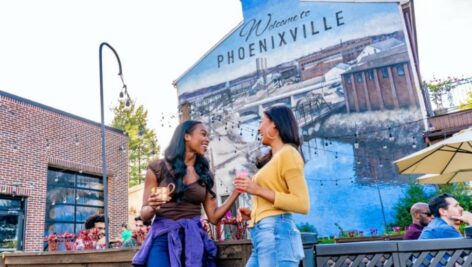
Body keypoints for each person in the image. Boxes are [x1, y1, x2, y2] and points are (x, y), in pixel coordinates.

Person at [132, 120, 240, 267]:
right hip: (163, 237)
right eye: (203, 134)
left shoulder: (205, 174)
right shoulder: (158, 168)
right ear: (186, 136)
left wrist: (236, 193)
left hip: (193, 240)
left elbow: (213, 217)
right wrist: (152, 207)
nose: (207, 139)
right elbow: (144, 214)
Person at [234, 105, 310, 267]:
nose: (259, 128)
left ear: (274, 125)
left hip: (276, 232)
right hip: (264, 234)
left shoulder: (289, 154)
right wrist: (254, 213)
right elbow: (275, 197)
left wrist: (257, 190)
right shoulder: (274, 159)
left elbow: (302, 204)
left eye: (262, 122)